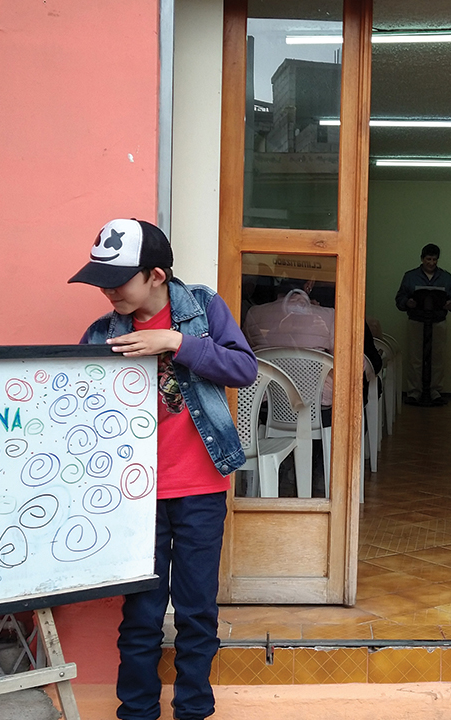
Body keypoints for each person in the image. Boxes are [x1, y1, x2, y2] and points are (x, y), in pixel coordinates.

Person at [69, 218, 258, 720]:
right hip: (134, 496)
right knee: (142, 615)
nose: (107, 291)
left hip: (200, 487)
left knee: (197, 610)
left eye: (117, 281)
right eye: (102, 281)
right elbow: (80, 413)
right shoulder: (102, 333)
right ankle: (136, 712)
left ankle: (193, 708)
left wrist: (175, 344)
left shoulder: (201, 308)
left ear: (155, 274)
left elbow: (244, 368)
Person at [394, 243, 451, 405]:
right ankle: (414, 392)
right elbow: (399, 298)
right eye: (428, 259)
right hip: (417, 320)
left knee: (437, 358)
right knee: (415, 358)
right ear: (422, 259)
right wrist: (407, 302)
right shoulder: (410, 276)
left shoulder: (446, 277)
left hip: (438, 321)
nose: (431, 263)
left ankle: (435, 391)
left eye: (435, 260)